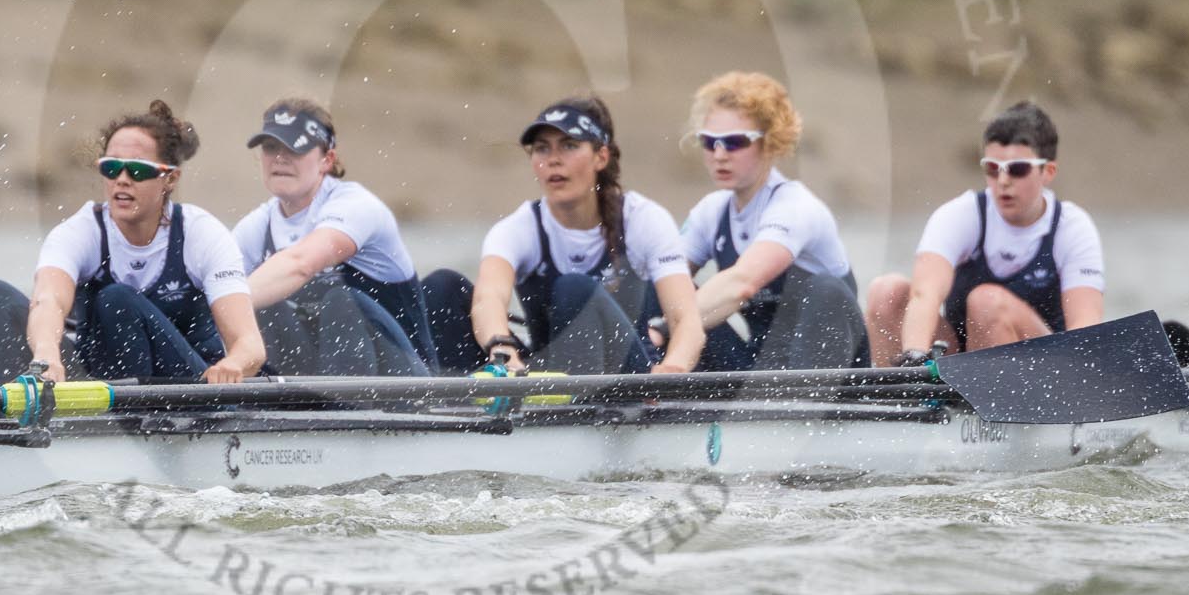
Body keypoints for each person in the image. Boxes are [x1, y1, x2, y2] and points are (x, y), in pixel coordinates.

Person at [423, 96, 703, 375]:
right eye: (542, 149)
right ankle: (460, 410)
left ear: (601, 157)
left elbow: (685, 319)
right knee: (440, 287)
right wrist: (503, 353)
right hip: (551, 377)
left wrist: (672, 370)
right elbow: (489, 297)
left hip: (630, 379)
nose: (554, 160)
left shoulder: (644, 220)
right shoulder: (518, 228)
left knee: (574, 289)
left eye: (569, 146)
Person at [0, 100, 264, 383]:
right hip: (107, 384)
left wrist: (234, 364)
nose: (122, 180)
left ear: (170, 178)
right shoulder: (80, 231)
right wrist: (46, 355)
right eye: (112, 168)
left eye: (138, 171)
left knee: (117, 299)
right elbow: (48, 299)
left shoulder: (202, 234)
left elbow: (250, 345)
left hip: (192, 389)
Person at [865, 100, 1104, 366]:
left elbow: (1086, 331)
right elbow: (925, 295)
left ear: (1048, 171)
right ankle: (903, 397)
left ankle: (993, 397)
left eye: (1017, 169)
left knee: (986, 301)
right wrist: (914, 354)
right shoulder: (961, 215)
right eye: (992, 168)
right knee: (885, 291)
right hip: (962, 364)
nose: (1003, 181)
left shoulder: (1072, 227)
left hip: (1044, 368)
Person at [674, 72, 870, 369]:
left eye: (735, 142)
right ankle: (655, 395)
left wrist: (665, 327)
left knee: (826, 290)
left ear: (770, 143)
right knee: (662, 289)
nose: (719, 154)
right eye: (709, 141)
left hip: (832, 372)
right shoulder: (710, 212)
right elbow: (664, 281)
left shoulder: (796, 206)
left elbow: (742, 284)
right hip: (761, 367)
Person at [232, 98, 436, 376]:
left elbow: (301, 263)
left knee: (340, 301)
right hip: (321, 377)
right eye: (271, 147)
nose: (280, 157)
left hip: (407, 383)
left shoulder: (357, 206)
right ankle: (276, 407)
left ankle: (337, 414)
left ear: (327, 160)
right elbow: (214, 290)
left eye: (295, 146)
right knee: (263, 308)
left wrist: (227, 302)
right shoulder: (256, 226)